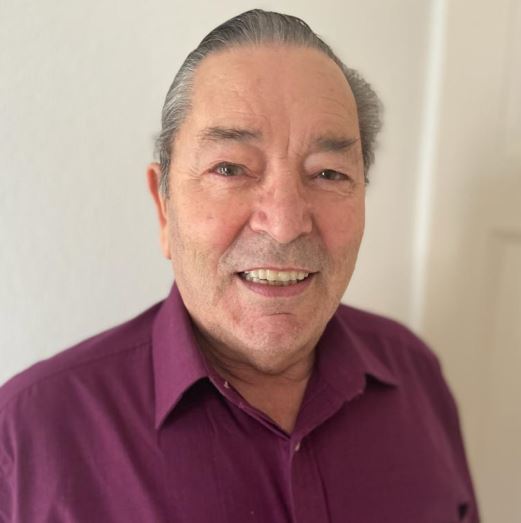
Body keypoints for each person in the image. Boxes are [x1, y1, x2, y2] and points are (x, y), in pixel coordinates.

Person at [0, 9, 479, 522]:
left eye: (328, 173)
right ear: (163, 207)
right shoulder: (26, 437)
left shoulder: (417, 377)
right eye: (230, 168)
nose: (285, 224)